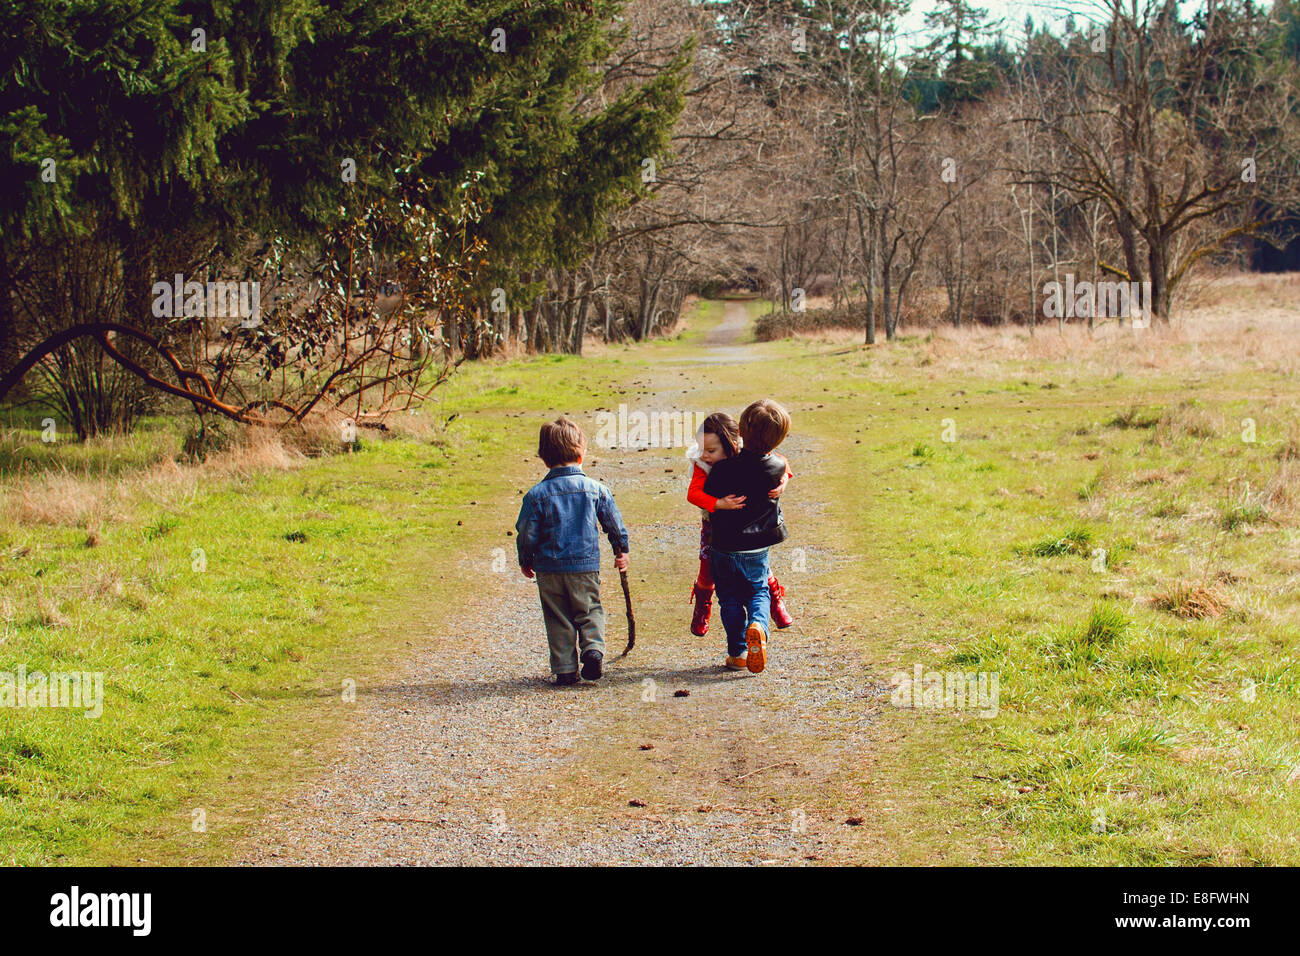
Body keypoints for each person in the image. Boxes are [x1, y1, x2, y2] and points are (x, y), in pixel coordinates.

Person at [516, 417, 629, 686]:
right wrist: (620, 549)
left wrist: (526, 559)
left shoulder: (536, 495)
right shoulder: (596, 490)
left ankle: (565, 669)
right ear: (581, 453)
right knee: (589, 609)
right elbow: (613, 523)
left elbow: (526, 532)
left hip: (549, 568)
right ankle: (592, 649)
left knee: (558, 616)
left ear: (544, 458)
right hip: (584, 566)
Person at [701, 400, 792, 673]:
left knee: (728, 598)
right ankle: (758, 627)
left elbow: (708, 496)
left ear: (739, 431)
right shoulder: (776, 467)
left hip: (724, 545)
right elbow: (783, 462)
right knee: (757, 591)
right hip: (757, 547)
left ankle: (737, 652)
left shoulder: (722, 469)